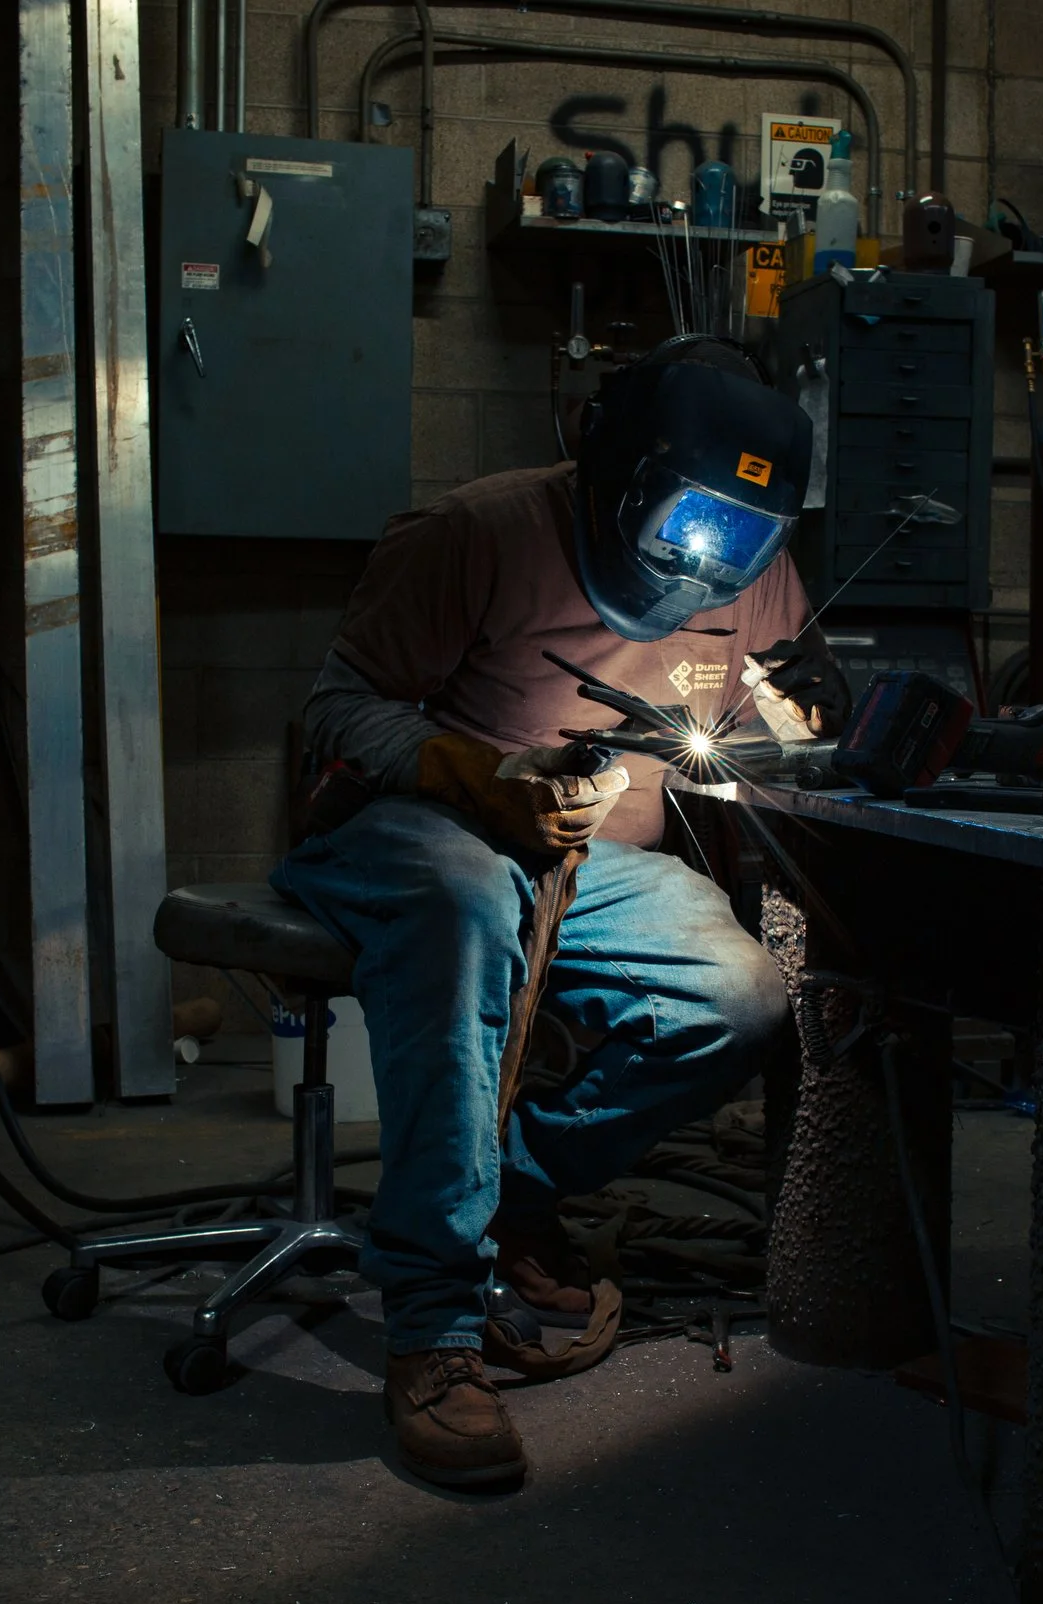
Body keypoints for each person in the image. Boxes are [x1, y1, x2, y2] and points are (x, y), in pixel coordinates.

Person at [272, 336, 850, 1489]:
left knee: (735, 995)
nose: (704, 565)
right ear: (611, 473)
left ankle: (507, 1190)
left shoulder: (751, 569)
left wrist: (817, 717)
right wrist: (468, 775)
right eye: (684, 524)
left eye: (741, 543)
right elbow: (333, 712)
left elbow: (786, 699)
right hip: (416, 831)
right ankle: (432, 1329)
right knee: (464, 899)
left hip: (589, 866)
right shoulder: (478, 534)